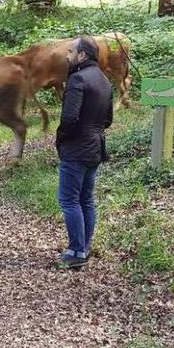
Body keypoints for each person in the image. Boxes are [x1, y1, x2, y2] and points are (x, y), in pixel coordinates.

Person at [55, 36, 113, 270]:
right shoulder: (104, 80)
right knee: (86, 199)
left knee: (69, 200)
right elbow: (108, 119)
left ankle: (77, 251)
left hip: (76, 149)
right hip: (95, 147)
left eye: (71, 52)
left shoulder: (78, 79)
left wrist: (62, 139)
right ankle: (83, 247)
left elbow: (69, 117)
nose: (67, 56)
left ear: (82, 56)